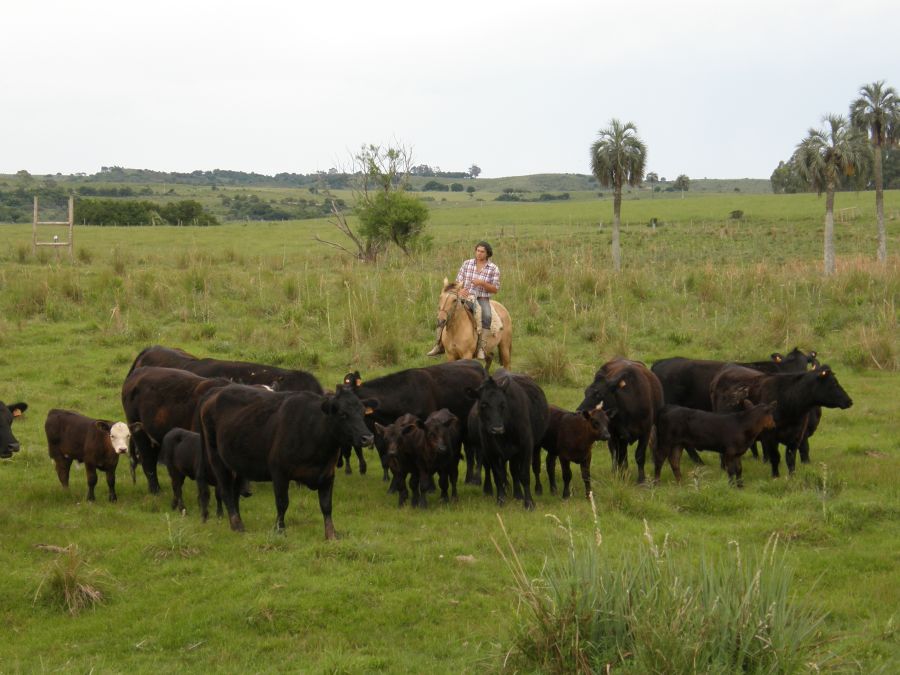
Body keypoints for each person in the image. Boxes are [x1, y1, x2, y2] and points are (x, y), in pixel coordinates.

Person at [427, 241, 500, 359]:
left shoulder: (493, 268)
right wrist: (460, 291)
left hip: (481, 298)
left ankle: (481, 347)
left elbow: (495, 289)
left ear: (487, 254)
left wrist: (482, 283)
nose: (479, 253)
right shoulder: (467, 264)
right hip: (464, 296)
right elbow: (458, 282)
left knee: (486, 315)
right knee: (444, 312)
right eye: (477, 251)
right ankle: (439, 344)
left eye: (482, 252)